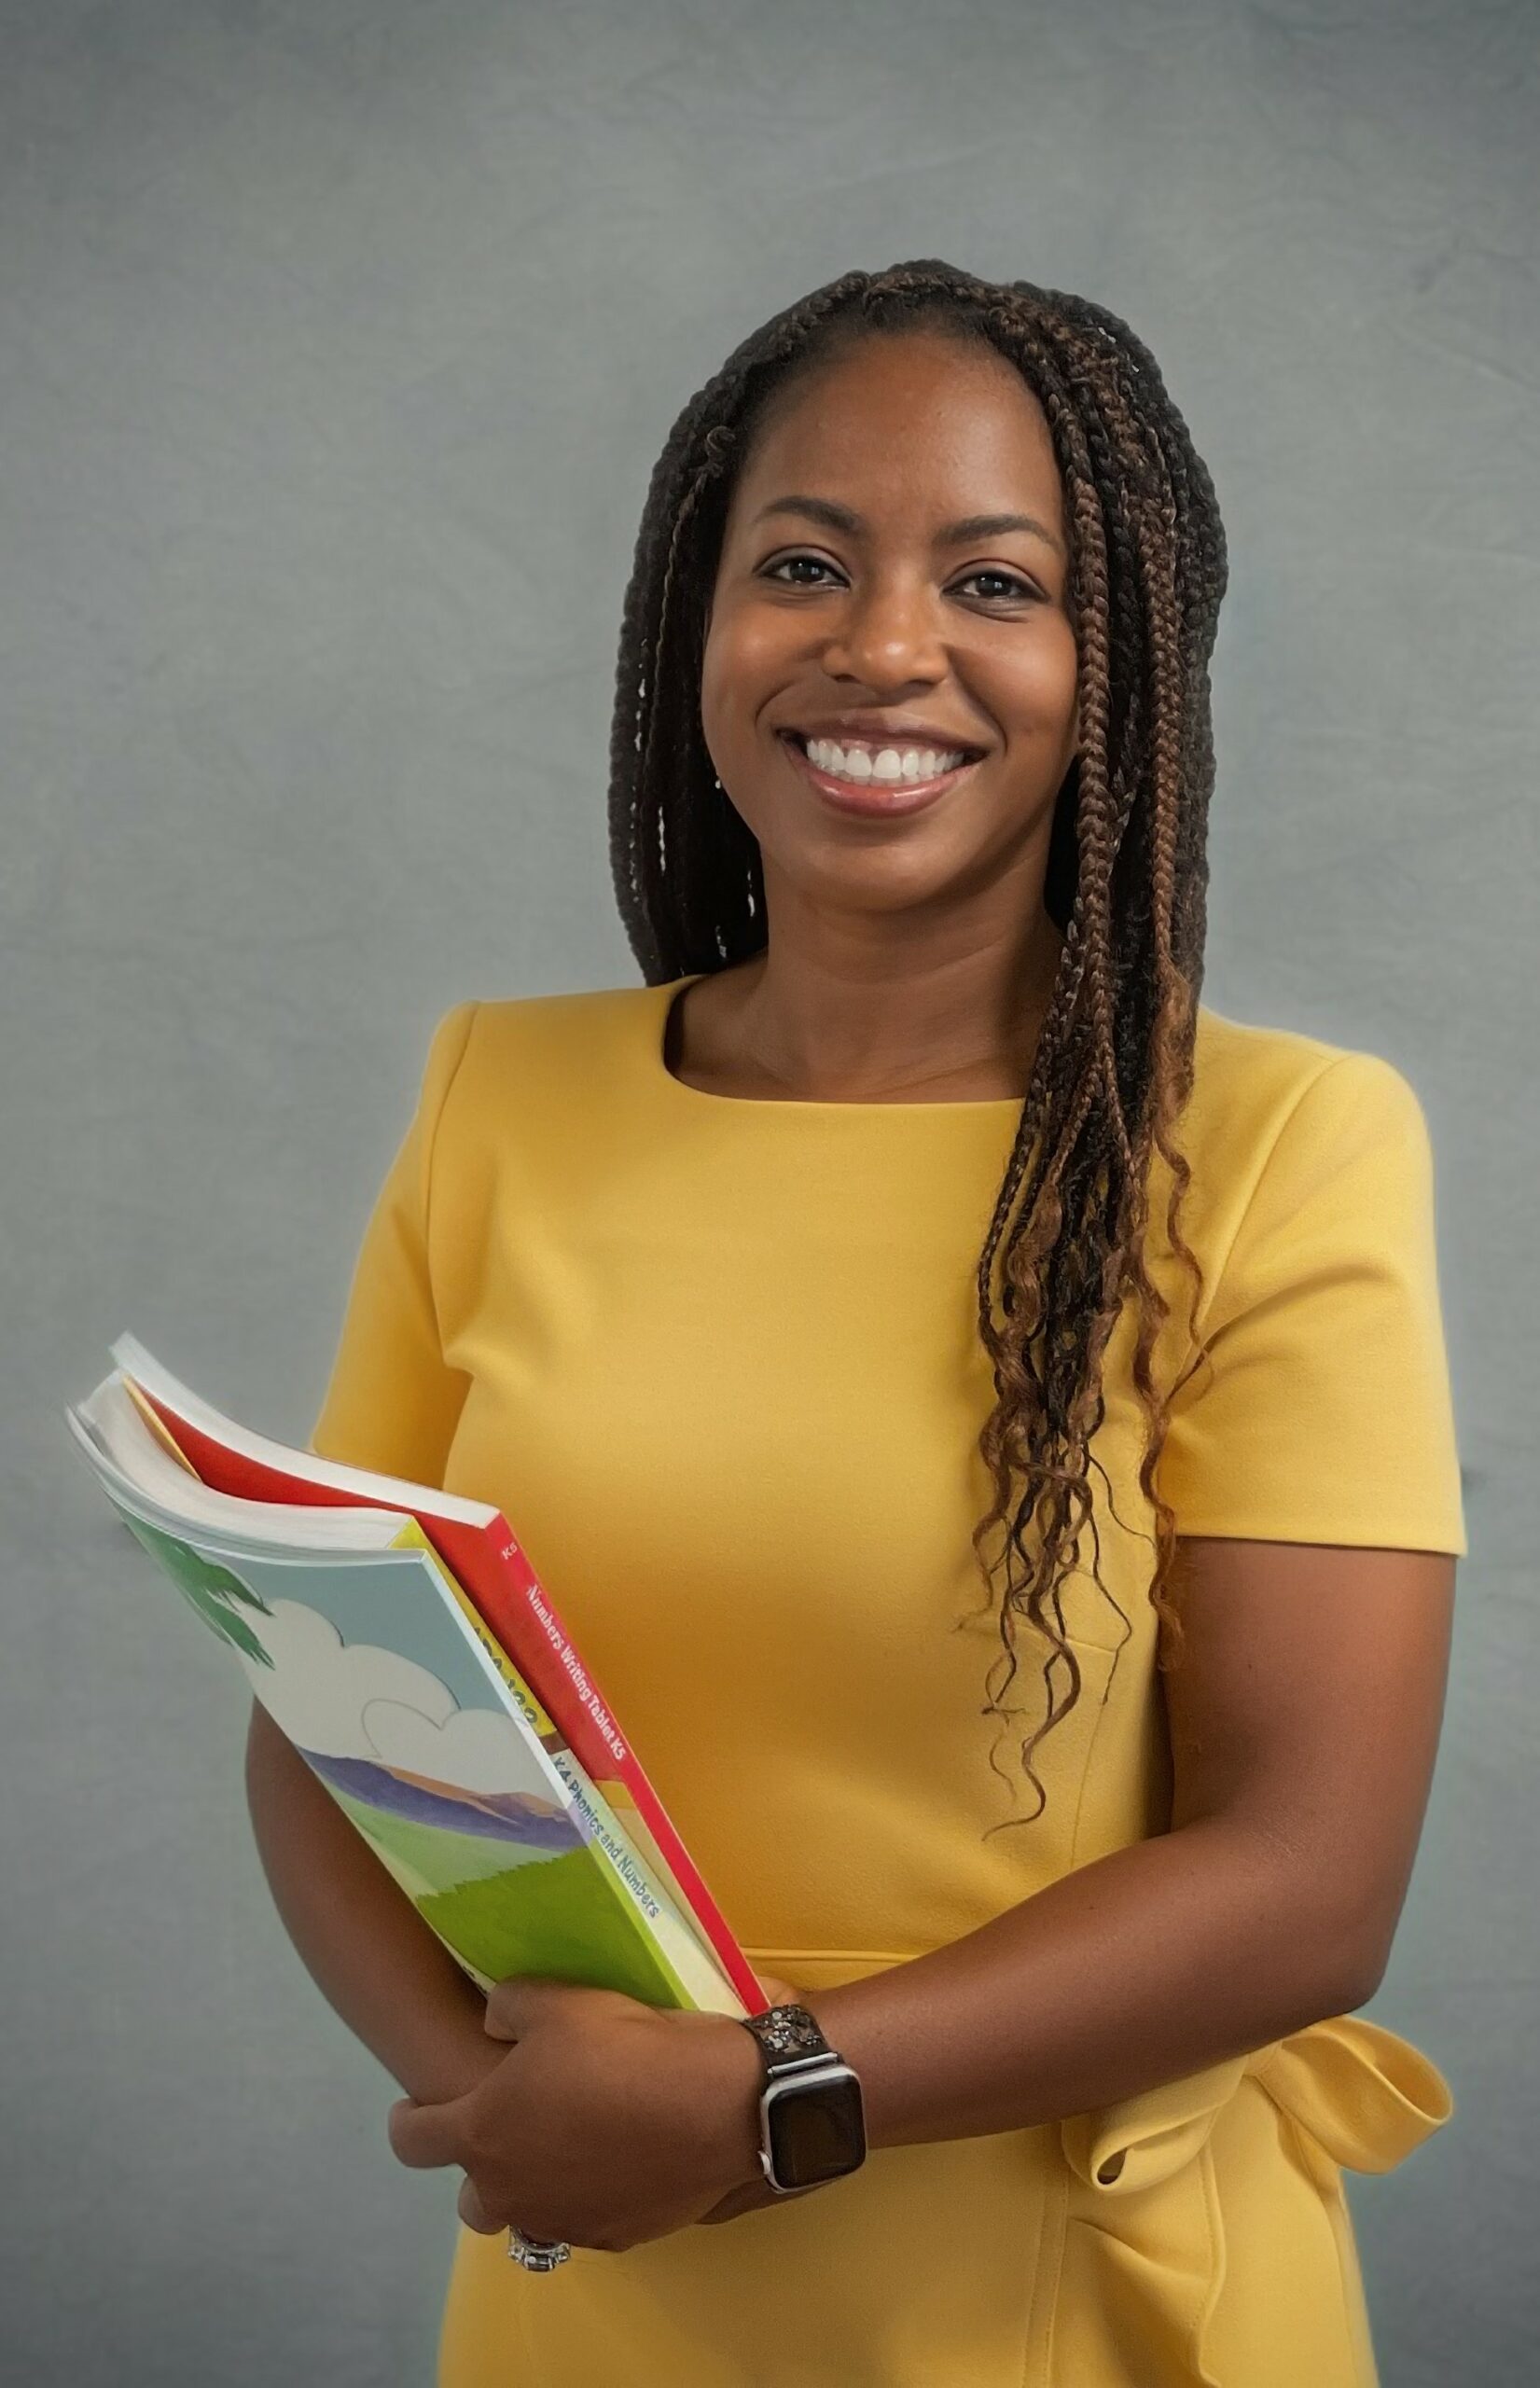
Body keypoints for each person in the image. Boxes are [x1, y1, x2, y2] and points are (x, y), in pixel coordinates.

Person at [244, 260, 1466, 2387]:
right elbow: (326, 1705)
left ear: (1121, 669)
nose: (882, 644)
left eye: (997, 581)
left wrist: (754, 2100)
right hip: (594, 2283)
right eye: (800, 561)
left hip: (1056, 2300)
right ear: (689, 627)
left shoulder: (1273, 1144)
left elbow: (1303, 1875)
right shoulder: (495, 1100)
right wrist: (528, 2115)